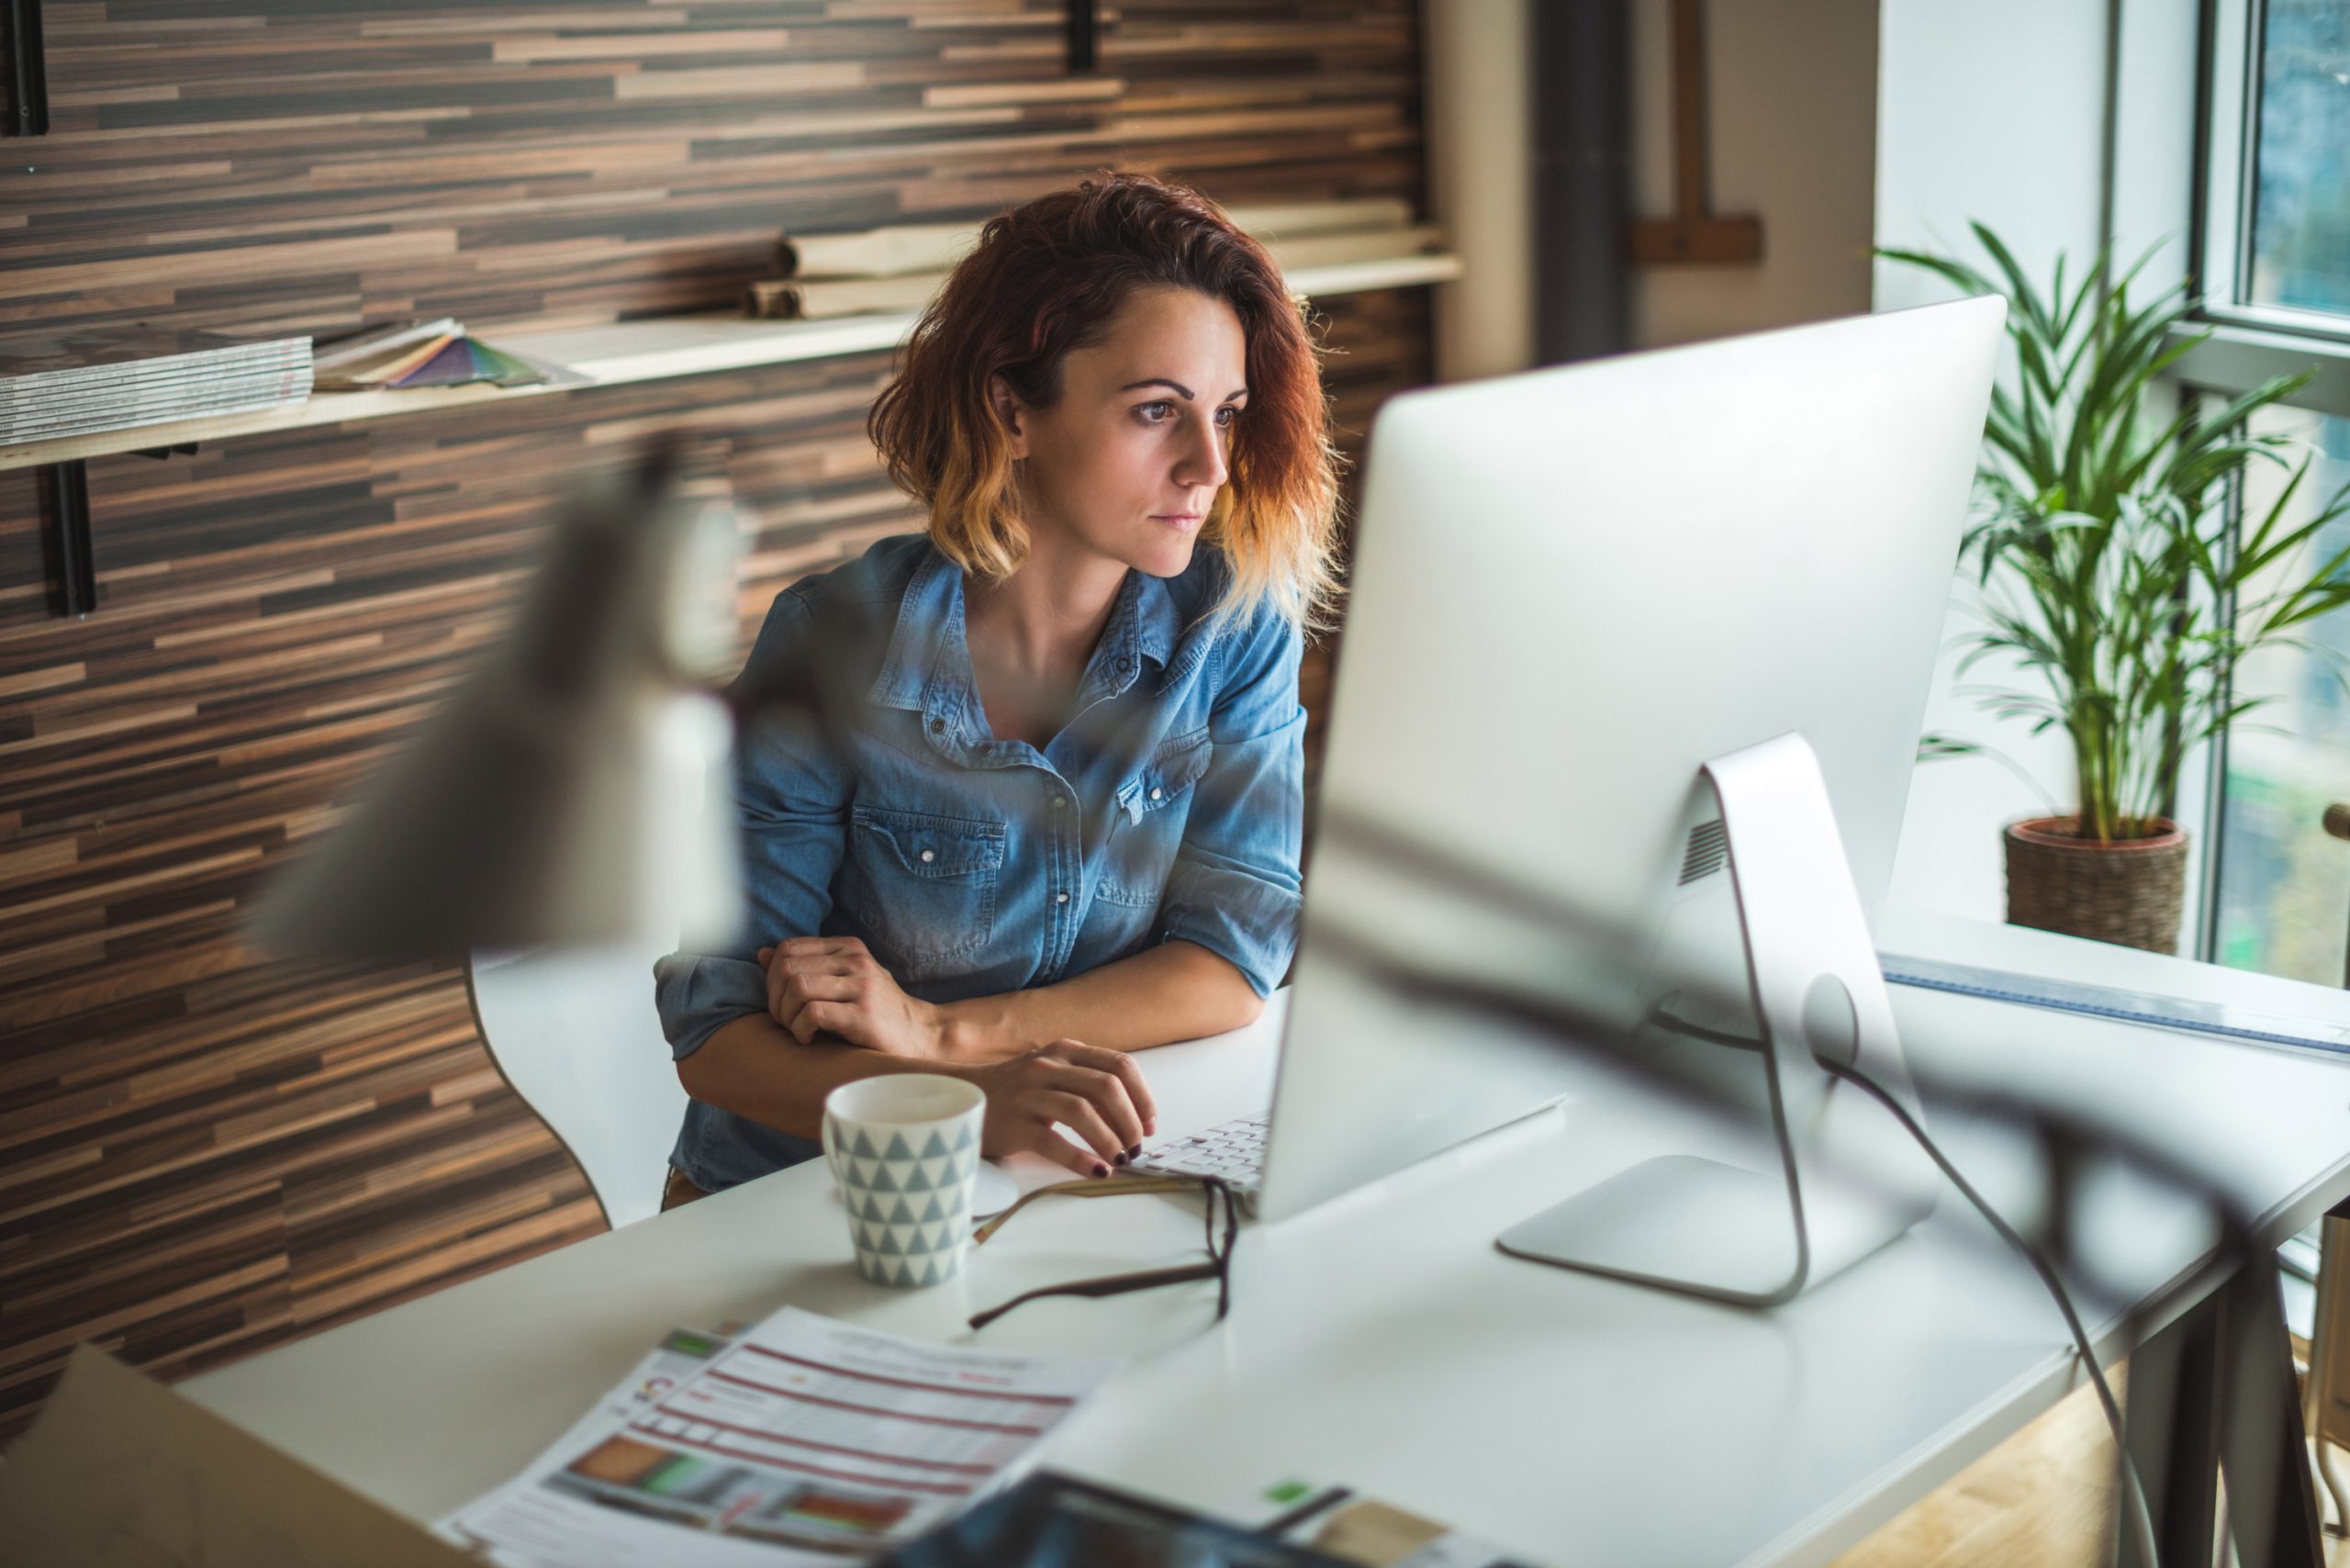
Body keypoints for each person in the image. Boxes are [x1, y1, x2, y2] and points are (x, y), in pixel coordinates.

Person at [653, 172, 1342, 1206]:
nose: (1208, 465)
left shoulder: (1234, 630)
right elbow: (718, 1039)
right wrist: (964, 1106)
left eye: (1227, 414)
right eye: (1157, 411)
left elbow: (1231, 964)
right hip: (803, 1199)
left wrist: (946, 1034)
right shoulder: (830, 638)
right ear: (1010, 410)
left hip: (1050, 1179)